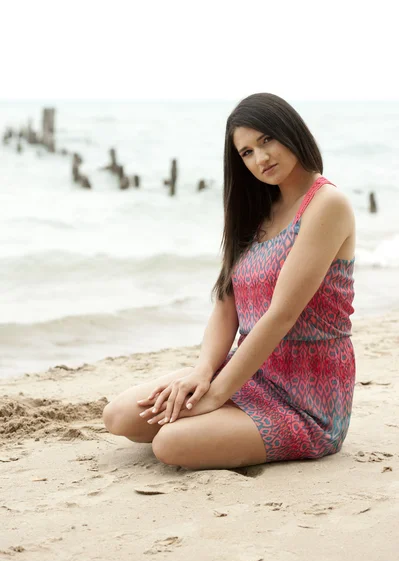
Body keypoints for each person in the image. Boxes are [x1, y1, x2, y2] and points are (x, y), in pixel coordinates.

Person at [103, 93, 356, 470]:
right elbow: (226, 306)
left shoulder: (327, 204)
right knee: (119, 416)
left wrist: (216, 395)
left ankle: (285, 429)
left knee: (170, 443)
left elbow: (281, 316)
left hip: (308, 393)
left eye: (266, 140)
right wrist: (202, 373)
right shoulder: (256, 211)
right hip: (250, 369)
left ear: (291, 131)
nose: (261, 158)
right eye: (247, 152)